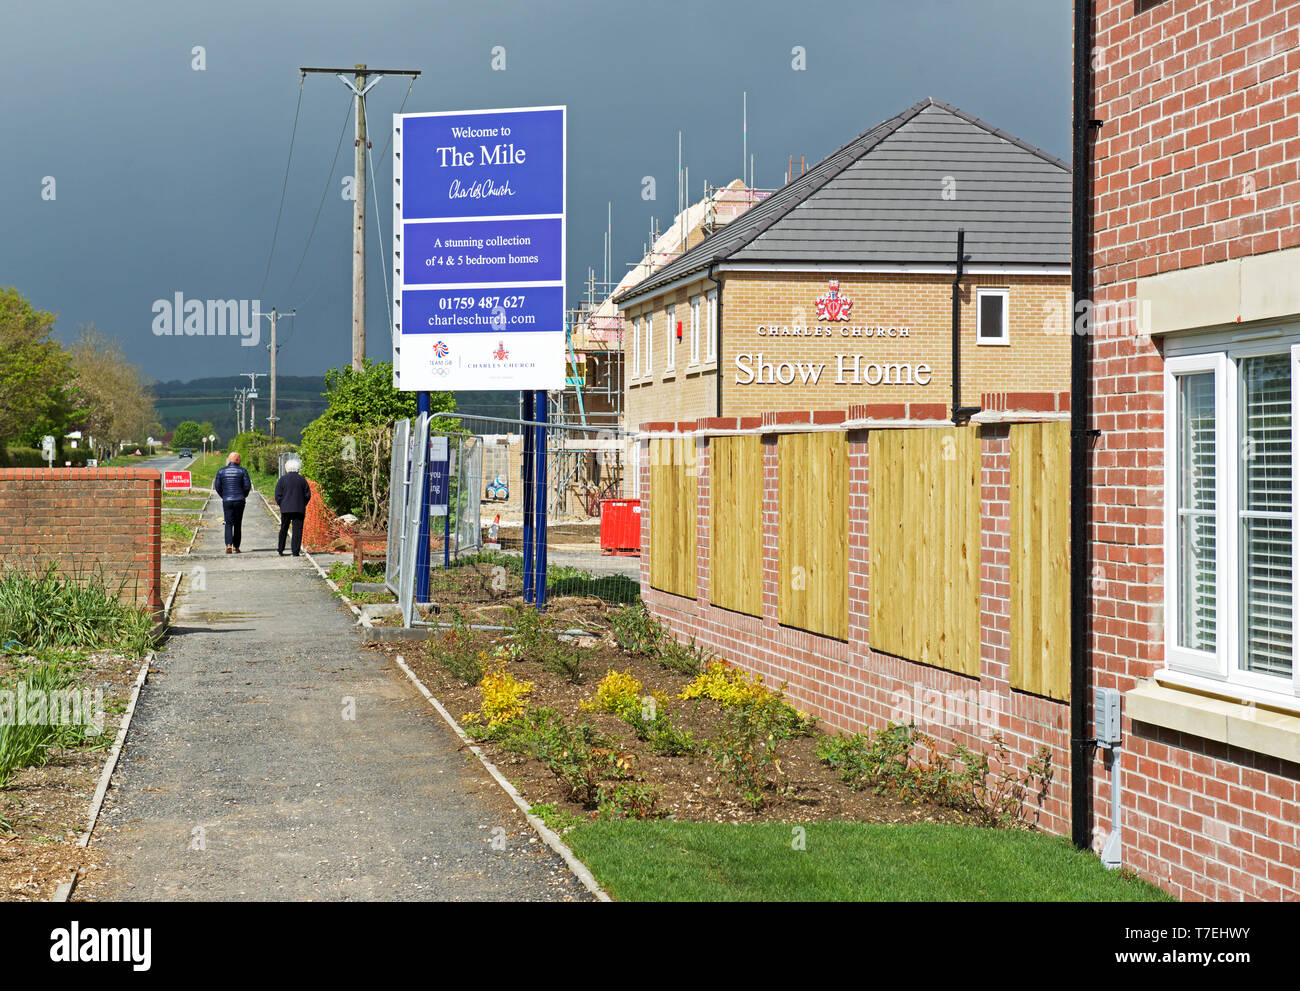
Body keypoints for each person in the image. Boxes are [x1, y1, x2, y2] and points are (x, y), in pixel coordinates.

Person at [213, 451, 252, 554]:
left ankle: (228, 545)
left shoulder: (221, 471)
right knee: (238, 524)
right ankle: (236, 547)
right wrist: (243, 495)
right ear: (238, 460)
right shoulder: (243, 471)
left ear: (229, 460)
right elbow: (247, 486)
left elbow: (217, 486)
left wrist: (224, 495)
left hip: (227, 500)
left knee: (228, 523)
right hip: (239, 500)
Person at [274, 457, 312, 557]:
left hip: (285, 508)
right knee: (297, 530)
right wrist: (303, 504)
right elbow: (308, 494)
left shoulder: (282, 479)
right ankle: (295, 551)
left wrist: (281, 504)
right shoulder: (302, 479)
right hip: (299, 508)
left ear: (287, 468)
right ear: (298, 468)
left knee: (284, 528)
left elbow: (277, 494)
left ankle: (280, 549)